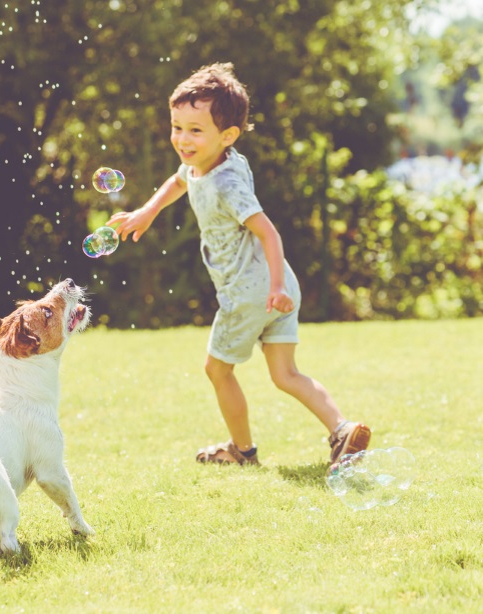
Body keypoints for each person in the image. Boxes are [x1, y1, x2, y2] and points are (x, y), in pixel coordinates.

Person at [107, 62, 370, 466]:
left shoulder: (226, 184)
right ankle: (341, 429)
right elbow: (179, 179)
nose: (182, 138)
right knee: (286, 375)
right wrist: (147, 211)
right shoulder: (212, 162)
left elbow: (269, 233)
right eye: (177, 126)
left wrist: (275, 288)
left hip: (252, 291)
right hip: (275, 285)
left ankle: (242, 450)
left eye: (195, 130)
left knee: (217, 370)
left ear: (226, 135)